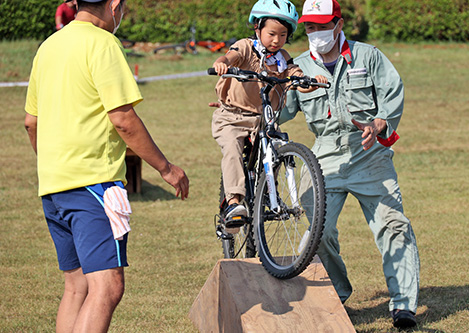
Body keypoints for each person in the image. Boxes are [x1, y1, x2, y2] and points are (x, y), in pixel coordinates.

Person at [24, 0, 189, 331]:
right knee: (107, 287)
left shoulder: (49, 46)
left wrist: (54, 164)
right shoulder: (103, 43)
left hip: (54, 186)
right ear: (115, 5)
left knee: (77, 288)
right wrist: (166, 168)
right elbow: (124, 120)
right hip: (93, 184)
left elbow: (31, 122)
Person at [280, 0, 420, 328]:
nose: (316, 33)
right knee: (319, 232)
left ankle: (402, 306)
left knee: (393, 224)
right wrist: (263, 90)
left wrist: (381, 123)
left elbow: (392, 92)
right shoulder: (298, 66)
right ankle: (338, 293)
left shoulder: (367, 56)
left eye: (323, 26)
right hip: (323, 157)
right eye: (310, 27)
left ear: (338, 25)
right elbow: (283, 111)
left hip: (369, 155)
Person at [211, 0, 327, 228]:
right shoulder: (246, 47)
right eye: (272, 34)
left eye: (283, 35)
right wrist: (221, 62)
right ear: (258, 28)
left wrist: (311, 83)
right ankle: (234, 201)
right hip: (232, 117)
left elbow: (296, 78)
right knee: (233, 149)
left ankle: (265, 190)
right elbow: (230, 57)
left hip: (264, 120)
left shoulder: (283, 58)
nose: (276, 40)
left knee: (275, 148)